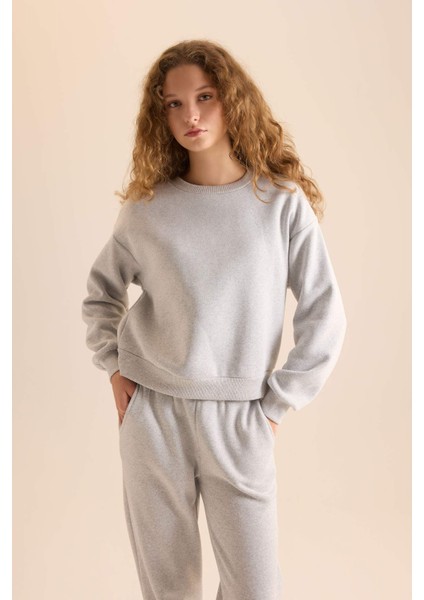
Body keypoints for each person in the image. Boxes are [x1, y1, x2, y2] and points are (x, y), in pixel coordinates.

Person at [81, 38, 347, 600]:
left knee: (256, 589)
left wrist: (276, 404)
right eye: (174, 103)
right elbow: (102, 294)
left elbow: (324, 313)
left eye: (205, 96)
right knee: (169, 589)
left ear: (232, 99)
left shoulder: (280, 203)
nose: (191, 115)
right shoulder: (147, 209)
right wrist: (114, 367)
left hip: (242, 417)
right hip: (153, 413)